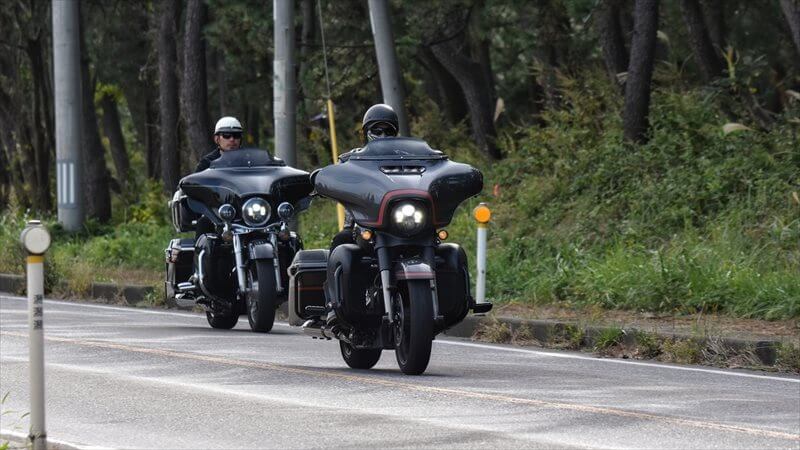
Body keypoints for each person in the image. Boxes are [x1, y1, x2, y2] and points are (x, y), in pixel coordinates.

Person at [329, 104, 399, 250]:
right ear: (366, 132)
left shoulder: (407, 159)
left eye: (388, 131)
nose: (383, 136)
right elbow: (335, 179)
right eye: (377, 131)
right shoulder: (351, 160)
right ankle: (334, 273)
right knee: (341, 242)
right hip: (361, 223)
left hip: (402, 220)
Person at [193, 116, 244, 239]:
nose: (232, 139)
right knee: (204, 223)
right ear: (217, 139)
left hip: (245, 210)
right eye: (226, 135)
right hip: (217, 211)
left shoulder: (249, 161)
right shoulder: (207, 163)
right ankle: (202, 256)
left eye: (236, 135)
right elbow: (195, 185)